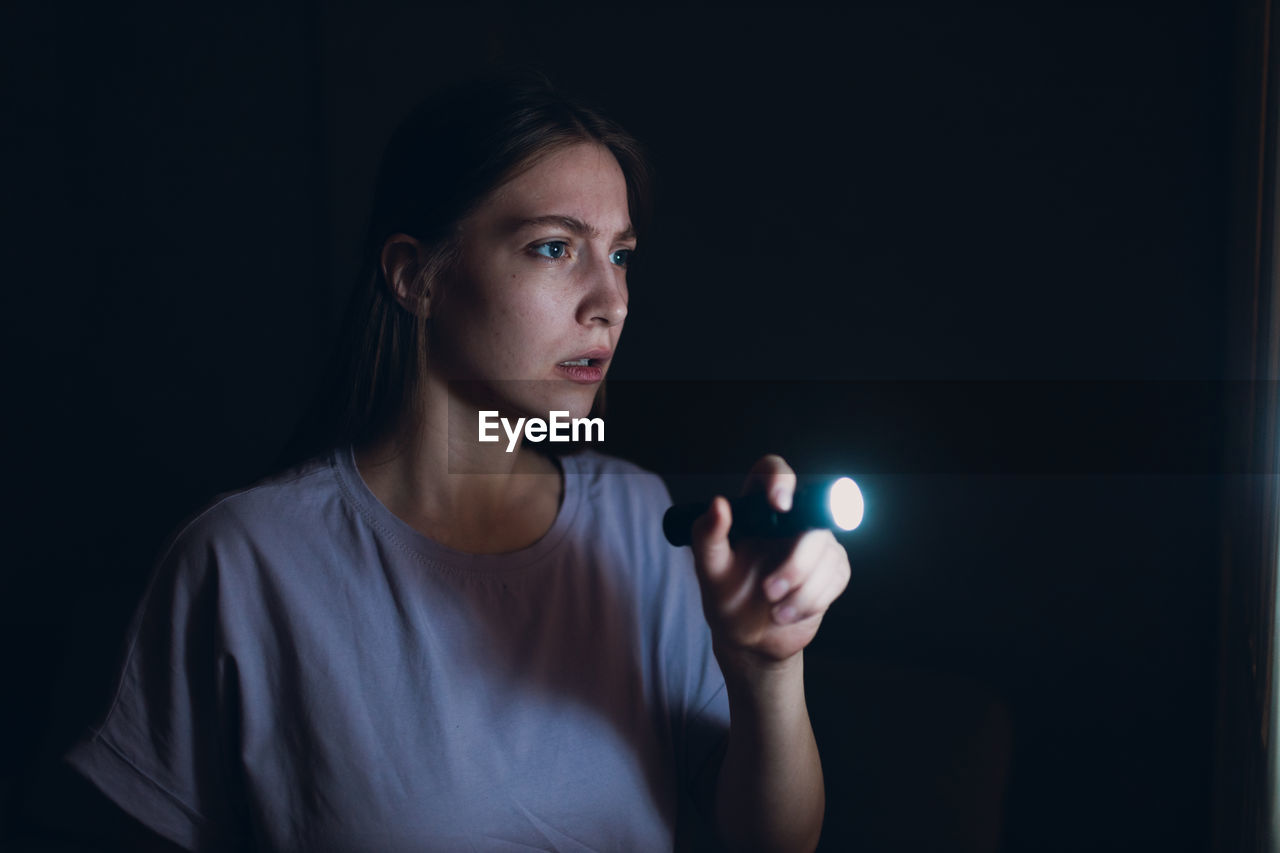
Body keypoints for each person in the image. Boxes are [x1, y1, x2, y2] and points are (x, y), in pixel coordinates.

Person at [65, 70, 850, 852]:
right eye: (554, 247)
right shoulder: (241, 561)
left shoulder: (646, 522)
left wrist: (766, 666)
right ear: (417, 275)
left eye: (620, 256)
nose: (610, 300)